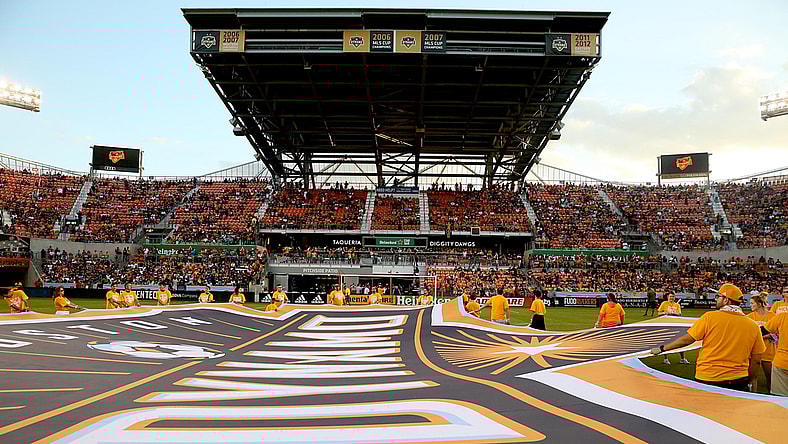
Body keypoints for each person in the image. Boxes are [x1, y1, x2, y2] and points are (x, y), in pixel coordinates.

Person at [650, 284, 765, 392]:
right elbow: (756, 360)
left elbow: (687, 340)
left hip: (708, 376)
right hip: (738, 378)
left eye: (718, 296)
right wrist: (749, 380)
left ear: (726, 300)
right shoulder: (752, 325)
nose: (716, 299)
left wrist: (662, 348)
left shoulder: (709, 317)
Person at [748, 292, 776, 393]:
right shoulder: (749, 317)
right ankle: (752, 397)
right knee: (752, 378)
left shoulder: (773, 316)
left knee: (771, 379)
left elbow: (777, 334)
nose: (750, 305)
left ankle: (771, 398)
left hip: (769, 352)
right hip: (754, 352)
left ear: (759, 304)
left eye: (752, 303)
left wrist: (760, 337)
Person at [657, 292, 690, 365]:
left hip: (675, 325)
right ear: (668, 297)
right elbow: (659, 313)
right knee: (666, 341)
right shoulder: (664, 303)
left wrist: (672, 313)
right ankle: (666, 359)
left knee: (680, 341)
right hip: (666, 325)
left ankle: (682, 358)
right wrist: (665, 313)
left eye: (673, 296)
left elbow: (679, 313)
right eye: (670, 296)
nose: (671, 298)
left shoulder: (677, 305)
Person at [765, 298, 788, 396]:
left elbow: (763, 330)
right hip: (781, 362)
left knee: (780, 399)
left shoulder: (783, 316)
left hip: (782, 362)